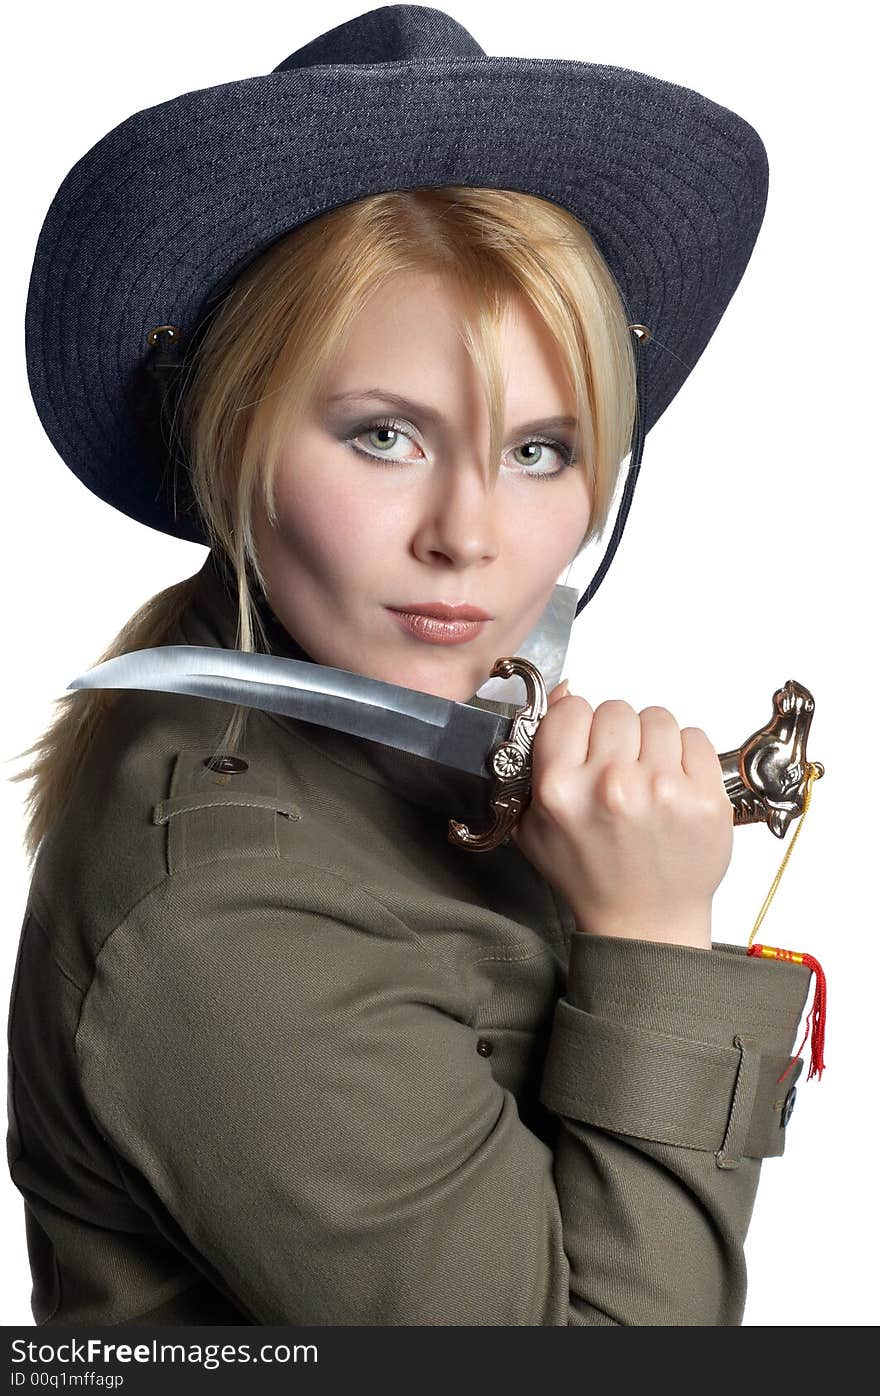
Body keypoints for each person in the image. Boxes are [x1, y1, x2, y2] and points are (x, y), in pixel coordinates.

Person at [6, 5, 813, 1326]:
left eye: (540, 450)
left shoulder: (402, 735)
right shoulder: (224, 930)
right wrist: (656, 936)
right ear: (228, 439)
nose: (473, 538)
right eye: (384, 435)